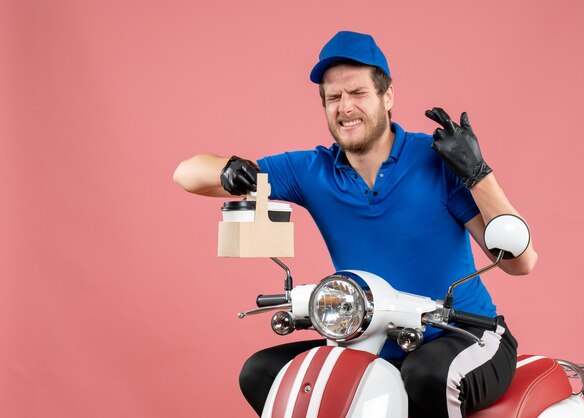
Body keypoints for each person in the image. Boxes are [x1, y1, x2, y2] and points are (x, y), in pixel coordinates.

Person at [174, 31, 537, 418]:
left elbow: (521, 261)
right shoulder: (312, 171)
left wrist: (477, 173)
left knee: (426, 375)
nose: (345, 107)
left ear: (387, 97)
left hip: (468, 335)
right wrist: (229, 168)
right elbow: (187, 174)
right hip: (373, 341)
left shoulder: (436, 161)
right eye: (334, 98)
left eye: (358, 93)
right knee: (262, 373)